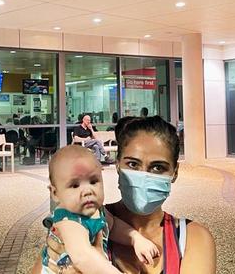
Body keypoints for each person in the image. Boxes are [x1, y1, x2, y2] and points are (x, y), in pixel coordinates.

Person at [33, 116, 216, 274]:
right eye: (133, 165)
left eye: (157, 167)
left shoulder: (191, 238)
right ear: (118, 164)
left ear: (174, 172)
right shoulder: (78, 220)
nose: (144, 176)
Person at [40, 145, 159, 274]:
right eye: (74, 185)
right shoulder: (67, 221)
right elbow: (83, 257)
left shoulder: (97, 210)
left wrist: (135, 238)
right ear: (55, 193)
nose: (87, 191)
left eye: (93, 181)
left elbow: (113, 226)